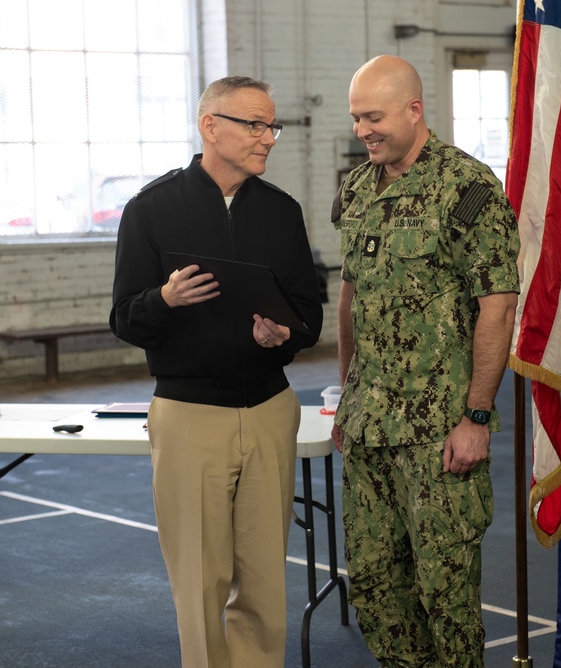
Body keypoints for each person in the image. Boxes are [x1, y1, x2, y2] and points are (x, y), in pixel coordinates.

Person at [109, 76, 323, 667]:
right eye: (255, 125)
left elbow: (309, 314)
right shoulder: (151, 210)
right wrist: (165, 300)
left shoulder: (282, 212)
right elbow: (125, 318)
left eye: (271, 126)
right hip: (188, 416)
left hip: (270, 410)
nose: (269, 139)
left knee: (262, 581)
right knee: (200, 581)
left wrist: (284, 335)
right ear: (211, 126)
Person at [330, 55, 520, 666]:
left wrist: (476, 416)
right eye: (358, 118)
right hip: (369, 426)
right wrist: (344, 396)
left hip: (438, 433)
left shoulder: (467, 188)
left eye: (374, 117)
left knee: (446, 597)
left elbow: (497, 305)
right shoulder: (357, 188)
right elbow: (351, 296)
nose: (364, 130)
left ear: (415, 110)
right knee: (379, 591)